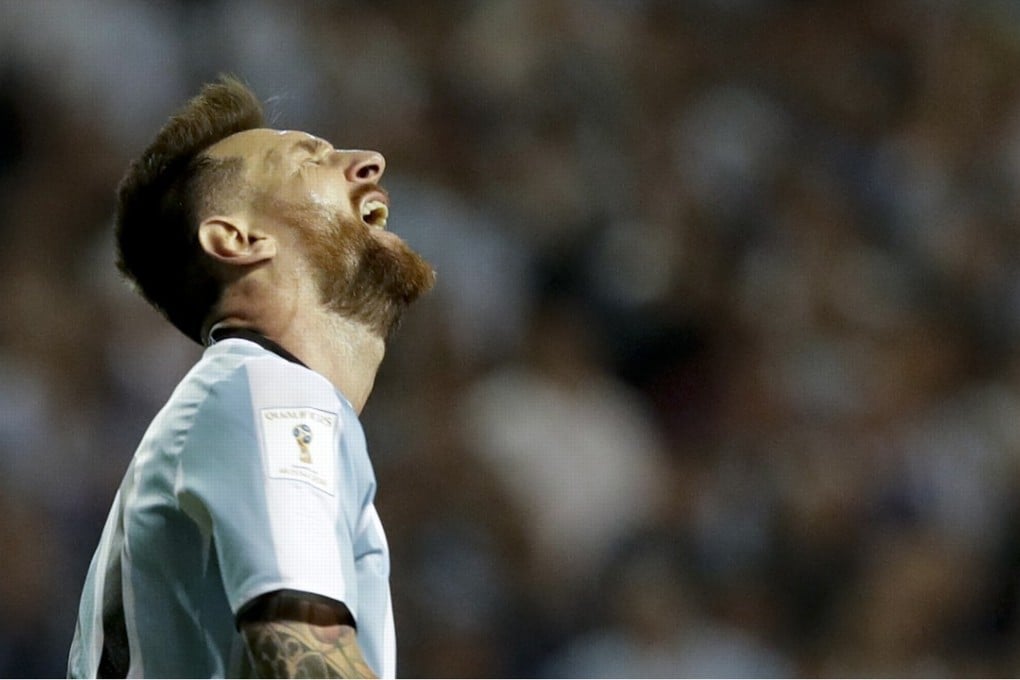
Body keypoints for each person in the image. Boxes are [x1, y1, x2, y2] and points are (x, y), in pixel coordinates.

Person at [67, 76, 435, 678]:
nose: (369, 163)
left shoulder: (256, 395)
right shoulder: (267, 391)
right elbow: (303, 656)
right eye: (309, 158)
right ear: (237, 239)